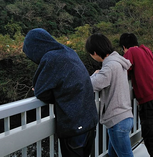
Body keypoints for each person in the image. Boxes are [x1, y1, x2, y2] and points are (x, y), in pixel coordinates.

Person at [23, 28, 98, 157]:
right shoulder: (68, 52)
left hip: (74, 126)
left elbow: (40, 92)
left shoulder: (51, 57)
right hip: (89, 122)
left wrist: (53, 94)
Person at [119, 33, 153, 157]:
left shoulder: (131, 52)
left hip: (149, 100)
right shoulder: (146, 50)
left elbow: (122, 70)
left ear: (124, 47)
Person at [85, 33, 134, 157]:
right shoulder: (118, 62)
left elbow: (90, 85)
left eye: (91, 54)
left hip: (117, 119)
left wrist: (95, 74)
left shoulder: (110, 66)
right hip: (125, 116)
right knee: (113, 154)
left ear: (95, 52)